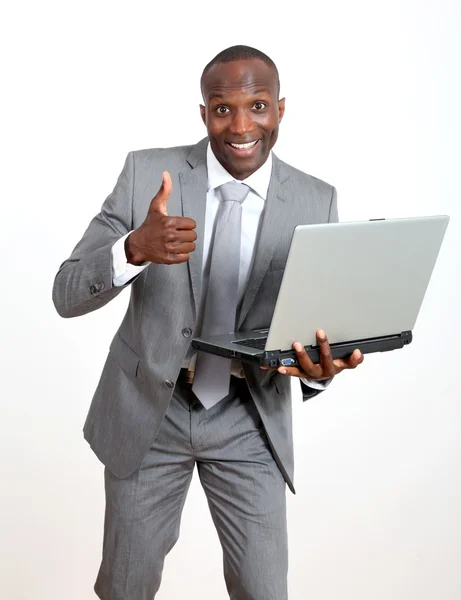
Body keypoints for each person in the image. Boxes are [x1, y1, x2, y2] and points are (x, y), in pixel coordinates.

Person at [52, 45, 363, 600]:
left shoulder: (316, 200)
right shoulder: (147, 173)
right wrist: (133, 249)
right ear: (203, 113)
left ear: (281, 110)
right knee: (126, 588)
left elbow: (316, 330)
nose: (242, 126)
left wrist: (320, 371)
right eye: (223, 109)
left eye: (259, 106)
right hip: (149, 409)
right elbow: (67, 292)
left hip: (251, 415)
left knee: (264, 590)